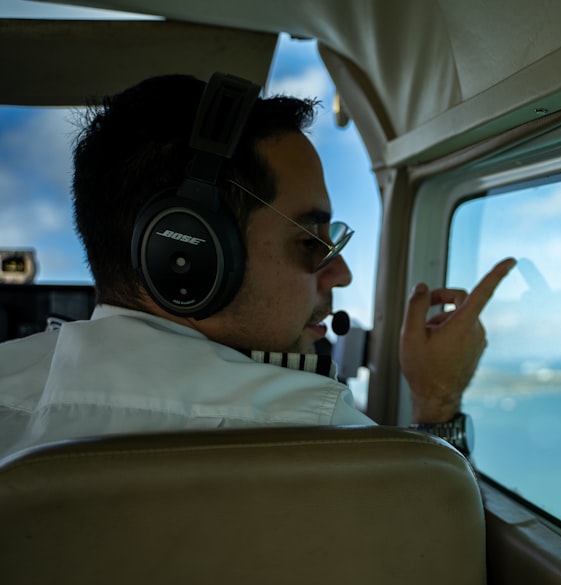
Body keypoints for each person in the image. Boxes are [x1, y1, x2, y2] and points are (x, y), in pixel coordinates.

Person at [0, 73, 514, 458]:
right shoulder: (312, 428)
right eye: (310, 243)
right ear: (188, 258)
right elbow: (435, 550)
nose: (341, 275)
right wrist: (436, 399)